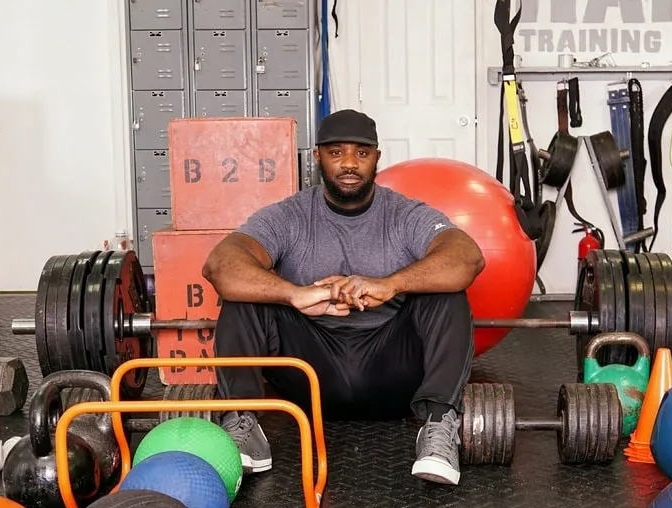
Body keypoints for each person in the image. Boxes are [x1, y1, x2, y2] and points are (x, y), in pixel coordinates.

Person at [201, 109, 486, 486]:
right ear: (316, 157)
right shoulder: (289, 216)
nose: (349, 163)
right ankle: (243, 424)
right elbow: (220, 265)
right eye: (336, 153)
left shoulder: (404, 214)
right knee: (243, 295)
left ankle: (438, 426)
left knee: (447, 292)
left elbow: (468, 257)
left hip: (392, 373)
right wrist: (294, 294)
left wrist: (391, 284)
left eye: (361, 153)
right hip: (310, 375)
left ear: (377, 159)